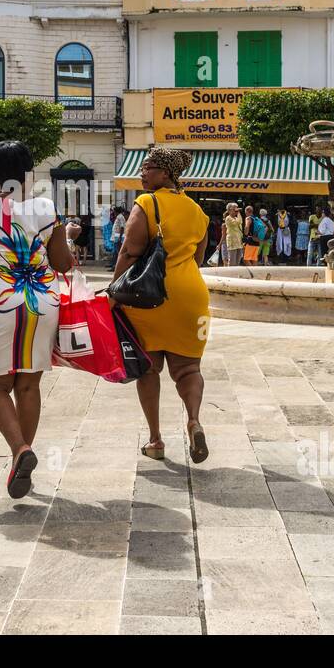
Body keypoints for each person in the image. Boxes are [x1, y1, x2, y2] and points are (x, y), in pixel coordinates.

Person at [0, 140, 73, 499]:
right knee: (28, 385)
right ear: (30, 172)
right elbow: (63, 263)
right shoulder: (47, 207)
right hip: (43, 302)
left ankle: (20, 450)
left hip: (1, 301)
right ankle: (18, 459)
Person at [113, 147, 211, 465]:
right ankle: (193, 420)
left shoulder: (147, 203)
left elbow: (129, 252)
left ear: (166, 173)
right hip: (191, 297)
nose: (142, 173)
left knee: (148, 368)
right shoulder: (197, 211)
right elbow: (197, 259)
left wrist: (114, 292)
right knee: (189, 369)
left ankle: (155, 440)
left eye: (148, 167)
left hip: (149, 297)